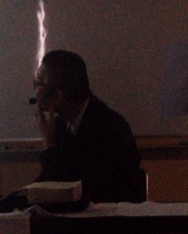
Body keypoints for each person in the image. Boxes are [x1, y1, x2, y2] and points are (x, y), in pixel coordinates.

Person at [33, 49, 145, 203]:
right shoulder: (61, 124)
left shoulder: (108, 128)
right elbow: (48, 181)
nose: (35, 93)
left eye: (38, 84)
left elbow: (70, 189)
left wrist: (49, 146)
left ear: (58, 95)